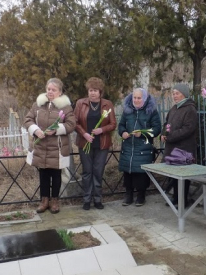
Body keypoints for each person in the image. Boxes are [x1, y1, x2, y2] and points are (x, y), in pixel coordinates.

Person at [24, 78, 76, 214]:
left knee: (56, 175)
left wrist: (56, 129)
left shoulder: (65, 107)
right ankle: (44, 201)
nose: (50, 92)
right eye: (48, 89)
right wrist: (36, 130)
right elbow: (28, 119)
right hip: (41, 146)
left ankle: (54, 201)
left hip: (57, 147)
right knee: (43, 175)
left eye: (54, 90)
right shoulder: (38, 105)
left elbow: (71, 124)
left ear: (60, 92)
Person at [74, 77, 117, 210]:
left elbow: (113, 124)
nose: (92, 93)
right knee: (87, 172)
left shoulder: (107, 104)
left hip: (102, 144)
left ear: (100, 92)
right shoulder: (81, 103)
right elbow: (75, 122)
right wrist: (84, 134)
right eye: (90, 90)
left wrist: (101, 130)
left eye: (95, 90)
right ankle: (87, 200)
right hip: (85, 143)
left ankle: (98, 199)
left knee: (98, 172)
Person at [118, 87, 161, 207]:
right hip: (128, 147)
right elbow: (121, 125)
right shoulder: (127, 111)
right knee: (128, 172)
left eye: (139, 98)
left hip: (143, 148)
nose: (136, 100)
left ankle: (141, 196)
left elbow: (157, 129)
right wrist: (123, 132)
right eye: (134, 98)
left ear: (145, 99)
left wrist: (142, 134)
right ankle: (129, 195)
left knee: (141, 174)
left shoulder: (151, 111)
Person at [161, 83, 198, 206]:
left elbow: (188, 129)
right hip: (172, 148)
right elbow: (167, 124)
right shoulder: (174, 108)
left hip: (184, 149)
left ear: (184, 94)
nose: (174, 96)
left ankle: (183, 200)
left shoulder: (190, 109)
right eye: (173, 93)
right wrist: (164, 133)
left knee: (183, 176)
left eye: (177, 93)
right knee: (174, 175)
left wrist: (170, 136)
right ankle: (176, 198)